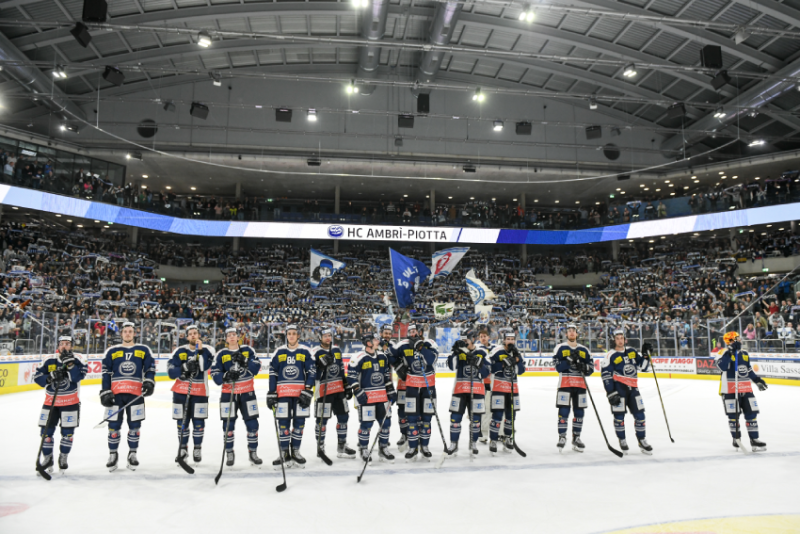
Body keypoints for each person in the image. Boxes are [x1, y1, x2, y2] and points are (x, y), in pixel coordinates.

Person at [99, 322, 156, 471]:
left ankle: (132, 454)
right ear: (121, 334)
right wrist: (105, 391)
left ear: (134, 333)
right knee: (113, 427)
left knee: (135, 426)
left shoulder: (143, 350)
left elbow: (150, 369)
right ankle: (113, 454)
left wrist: (149, 382)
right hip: (116, 395)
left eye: (130, 331)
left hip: (135, 395)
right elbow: (106, 373)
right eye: (125, 331)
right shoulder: (112, 351)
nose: (128, 334)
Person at [32, 335, 87, 474]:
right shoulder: (49, 359)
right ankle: (48, 459)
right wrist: (49, 377)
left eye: (67, 344)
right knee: (46, 433)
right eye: (62, 343)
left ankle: (63, 457)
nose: (64, 346)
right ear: (58, 345)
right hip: (50, 403)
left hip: (70, 402)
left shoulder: (79, 359)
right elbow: (37, 377)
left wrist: (70, 365)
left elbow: (77, 377)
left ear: (72, 346)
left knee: (67, 434)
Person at [210, 327, 262, 467]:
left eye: (234, 334)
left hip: (247, 393)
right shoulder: (221, 354)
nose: (232, 337)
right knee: (228, 425)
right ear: (226, 339)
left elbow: (257, 368)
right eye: (229, 335)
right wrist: (225, 376)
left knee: (253, 424)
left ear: (238, 337)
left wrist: (245, 361)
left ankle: (253, 453)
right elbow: (214, 374)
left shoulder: (248, 350)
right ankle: (229, 452)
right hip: (229, 394)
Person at [267, 324, 315, 468]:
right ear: (286, 335)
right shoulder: (279, 352)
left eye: (294, 333)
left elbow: (312, 371)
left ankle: (295, 451)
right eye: (289, 334)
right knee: (283, 425)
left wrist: (308, 389)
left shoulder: (305, 351)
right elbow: (273, 372)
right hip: (283, 395)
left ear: (298, 335)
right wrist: (271, 391)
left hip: (300, 395)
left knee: (299, 425)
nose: (292, 336)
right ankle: (284, 453)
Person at [167, 324, 215, 464]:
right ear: (187, 337)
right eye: (190, 333)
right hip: (181, 392)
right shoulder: (179, 351)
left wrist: (199, 352)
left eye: (195, 333)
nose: (193, 335)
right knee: (182, 423)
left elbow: (204, 366)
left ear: (199, 335)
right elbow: (171, 372)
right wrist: (184, 368)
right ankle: (183, 449)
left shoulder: (208, 350)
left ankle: (197, 448)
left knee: (199, 423)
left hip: (200, 392)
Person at [601, 330, 653, 455]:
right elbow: (605, 375)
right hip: (619, 389)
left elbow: (645, 367)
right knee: (619, 417)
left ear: (625, 339)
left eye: (622, 338)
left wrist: (647, 355)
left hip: (633, 389)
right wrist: (611, 392)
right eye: (617, 338)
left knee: (640, 416)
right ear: (614, 340)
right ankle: (622, 440)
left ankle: (642, 440)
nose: (620, 340)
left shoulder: (632, 352)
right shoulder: (610, 355)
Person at [347, 332, 396, 462]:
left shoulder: (382, 356)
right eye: (375, 339)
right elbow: (351, 376)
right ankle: (363, 449)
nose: (378, 340)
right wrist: (357, 390)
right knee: (366, 424)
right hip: (367, 397)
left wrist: (390, 388)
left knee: (386, 423)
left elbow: (386, 375)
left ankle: (383, 448)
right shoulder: (358, 357)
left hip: (381, 396)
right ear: (368, 342)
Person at [716, 332, 768, 451]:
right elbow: (721, 367)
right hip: (730, 389)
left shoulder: (744, 353)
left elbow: (748, 369)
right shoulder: (722, 352)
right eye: (738, 338)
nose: (741, 339)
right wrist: (730, 352)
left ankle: (754, 440)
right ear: (731, 341)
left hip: (745, 388)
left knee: (752, 414)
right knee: (733, 416)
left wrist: (757, 380)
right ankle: (736, 439)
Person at [446, 328, 491, 457]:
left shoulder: (482, 352)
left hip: (476, 391)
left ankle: (473, 442)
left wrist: (479, 363)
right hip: (460, 390)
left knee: (476, 420)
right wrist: (454, 352)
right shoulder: (458, 351)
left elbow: (486, 372)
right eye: (462, 339)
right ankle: (454, 444)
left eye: (466, 339)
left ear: (472, 339)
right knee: (455, 419)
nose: (464, 342)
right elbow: (451, 366)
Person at [312, 327, 356, 460]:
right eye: (325, 336)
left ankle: (342, 447)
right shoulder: (315, 352)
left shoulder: (336, 350)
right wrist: (320, 365)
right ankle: (320, 448)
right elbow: (312, 374)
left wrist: (346, 385)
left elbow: (341, 369)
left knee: (344, 417)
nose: (327, 338)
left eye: (329, 336)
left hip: (338, 390)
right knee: (321, 420)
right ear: (320, 337)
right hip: (323, 391)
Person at [551, 323, 594, 453]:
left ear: (576, 333)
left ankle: (576, 437)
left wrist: (584, 367)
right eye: (569, 331)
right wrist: (568, 360)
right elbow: (557, 367)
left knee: (579, 412)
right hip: (565, 384)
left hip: (580, 385)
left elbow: (591, 368)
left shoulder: (584, 350)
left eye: (573, 331)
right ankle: (562, 437)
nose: (571, 333)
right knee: (563, 411)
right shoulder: (560, 348)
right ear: (566, 333)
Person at [400, 324, 439, 461]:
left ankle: (424, 446)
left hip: (428, 386)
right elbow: (392, 356)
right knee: (412, 419)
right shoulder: (404, 345)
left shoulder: (429, 343)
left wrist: (420, 347)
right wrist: (400, 368)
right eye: (410, 331)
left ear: (420, 332)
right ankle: (412, 447)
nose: (412, 333)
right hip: (412, 387)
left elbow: (431, 360)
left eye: (415, 331)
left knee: (426, 419)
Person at [487, 329, 526, 455]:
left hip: (512, 389)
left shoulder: (517, 353)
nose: (510, 341)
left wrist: (517, 361)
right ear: (503, 340)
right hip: (498, 388)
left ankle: (508, 438)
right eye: (508, 339)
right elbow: (490, 367)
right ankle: (493, 439)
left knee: (511, 416)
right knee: (497, 416)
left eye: (512, 339)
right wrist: (502, 364)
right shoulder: (497, 351)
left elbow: (521, 371)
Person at [387, 323, 411, 451]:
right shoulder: (399, 347)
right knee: (401, 410)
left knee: (415, 411)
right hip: (402, 384)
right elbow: (391, 357)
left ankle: (413, 434)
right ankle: (403, 434)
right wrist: (397, 364)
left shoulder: (420, 347)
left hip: (417, 385)